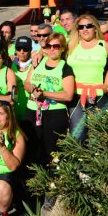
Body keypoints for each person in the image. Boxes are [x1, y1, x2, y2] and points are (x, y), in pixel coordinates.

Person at [24, 33, 75, 167]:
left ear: (62, 48)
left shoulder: (65, 68)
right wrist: (33, 90)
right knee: (32, 148)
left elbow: (68, 95)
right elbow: (27, 83)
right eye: (49, 46)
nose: (52, 49)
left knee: (52, 151)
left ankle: (53, 182)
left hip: (54, 113)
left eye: (56, 46)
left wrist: (44, 94)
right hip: (33, 110)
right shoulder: (37, 62)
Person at [66, 15, 108, 141]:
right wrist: (39, 52)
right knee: (76, 136)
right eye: (81, 27)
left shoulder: (105, 46)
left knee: (98, 138)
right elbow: (50, 45)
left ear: (95, 28)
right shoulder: (71, 44)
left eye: (88, 26)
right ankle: (77, 161)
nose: (85, 29)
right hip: (76, 97)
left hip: (100, 96)